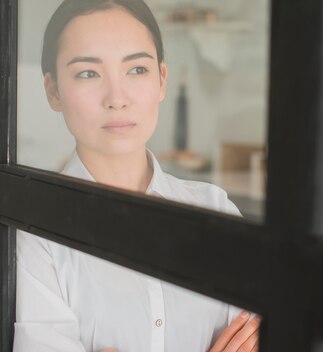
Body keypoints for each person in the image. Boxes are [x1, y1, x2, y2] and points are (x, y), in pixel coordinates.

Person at [14, 0, 260, 351]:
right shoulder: (37, 238)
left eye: (136, 70)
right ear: (53, 90)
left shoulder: (214, 209)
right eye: (88, 73)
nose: (117, 98)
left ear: (162, 80)